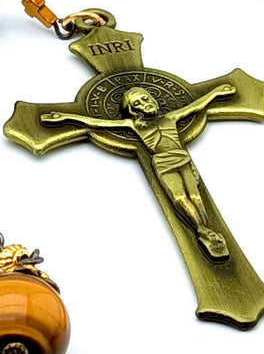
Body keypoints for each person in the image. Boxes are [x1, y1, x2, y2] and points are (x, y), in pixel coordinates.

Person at [42, 83, 235, 259]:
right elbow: (97, 123)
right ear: (132, 110)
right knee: (179, 198)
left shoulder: (170, 117)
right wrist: (67, 117)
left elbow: (196, 106)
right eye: (137, 103)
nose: (144, 103)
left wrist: (216, 93)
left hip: (183, 159)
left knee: (195, 196)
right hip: (163, 163)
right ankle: (202, 230)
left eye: (145, 98)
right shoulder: (132, 124)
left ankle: (207, 230)